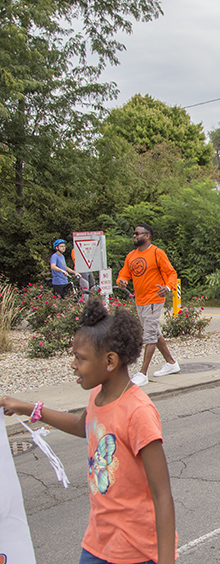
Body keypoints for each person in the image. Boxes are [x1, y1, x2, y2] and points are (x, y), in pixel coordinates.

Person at [1, 299, 177, 564]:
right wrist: (26, 407)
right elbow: (81, 426)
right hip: (98, 542)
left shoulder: (138, 412)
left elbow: (162, 495)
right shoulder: (98, 395)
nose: (73, 364)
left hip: (137, 551)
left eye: (79, 358)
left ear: (110, 361)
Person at [117, 224, 180, 387]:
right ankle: (171, 363)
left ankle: (143, 373)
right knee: (153, 331)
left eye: (137, 234)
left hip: (154, 298)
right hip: (140, 300)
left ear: (147, 235)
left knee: (149, 335)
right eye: (134, 234)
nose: (134, 236)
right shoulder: (131, 255)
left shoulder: (157, 253)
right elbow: (124, 274)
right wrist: (122, 282)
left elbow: (171, 273)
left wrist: (167, 287)